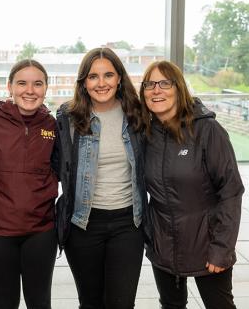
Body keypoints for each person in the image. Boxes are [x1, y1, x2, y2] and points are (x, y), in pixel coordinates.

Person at [139, 60, 244, 309]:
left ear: (179, 88)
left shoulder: (208, 130)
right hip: (163, 245)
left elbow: (231, 191)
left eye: (165, 83)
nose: (157, 90)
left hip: (206, 244)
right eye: (150, 84)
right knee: (171, 305)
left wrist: (222, 248)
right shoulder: (145, 133)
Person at [55, 47, 148, 309]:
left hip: (128, 223)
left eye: (108, 75)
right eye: (93, 76)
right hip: (84, 224)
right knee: (90, 303)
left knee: (121, 303)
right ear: (84, 81)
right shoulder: (68, 117)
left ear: (119, 78)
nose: (101, 83)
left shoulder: (138, 113)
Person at [0, 59, 59, 309]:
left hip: (41, 232)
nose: (30, 90)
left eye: (37, 84)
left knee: (40, 302)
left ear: (46, 88)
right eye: (22, 83)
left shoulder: (52, 125)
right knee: (4, 303)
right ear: (9, 86)